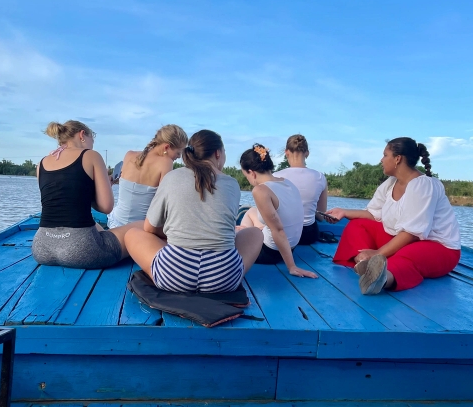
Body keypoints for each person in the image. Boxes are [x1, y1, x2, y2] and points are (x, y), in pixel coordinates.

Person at [124, 130, 263, 292]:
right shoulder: (232, 184)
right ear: (218, 153)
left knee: (131, 234)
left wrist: (178, 235)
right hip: (223, 280)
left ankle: (164, 271)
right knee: (256, 233)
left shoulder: (172, 177)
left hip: (173, 277)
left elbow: (149, 228)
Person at [327, 138, 460, 295]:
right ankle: (364, 262)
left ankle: (382, 278)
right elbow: (373, 214)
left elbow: (411, 233)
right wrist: (343, 212)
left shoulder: (423, 185)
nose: (381, 160)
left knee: (407, 255)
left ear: (398, 159)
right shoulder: (390, 183)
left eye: (385, 155)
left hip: (437, 247)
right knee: (357, 225)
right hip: (403, 239)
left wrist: (378, 252)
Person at [32, 121, 137, 268]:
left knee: (95, 226)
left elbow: (63, 200)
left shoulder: (42, 163)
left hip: (41, 248)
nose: (92, 146)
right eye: (91, 141)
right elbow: (106, 207)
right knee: (140, 227)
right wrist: (103, 186)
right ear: (82, 135)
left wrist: (91, 186)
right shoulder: (91, 155)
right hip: (81, 250)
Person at [239, 145, 317, 278]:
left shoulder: (260, 190)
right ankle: (247, 231)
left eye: (246, 176)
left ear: (252, 173)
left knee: (231, 234)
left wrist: (291, 267)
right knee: (252, 211)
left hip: (270, 252)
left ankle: (245, 233)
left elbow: (278, 230)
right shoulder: (287, 183)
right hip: (291, 246)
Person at [107, 124, 188, 228]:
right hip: (140, 229)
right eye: (178, 152)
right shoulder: (166, 163)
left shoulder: (129, 155)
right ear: (166, 147)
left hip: (115, 223)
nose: (179, 157)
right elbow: (165, 203)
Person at [276, 134, 328, 245]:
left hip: (285, 235)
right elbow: (321, 216)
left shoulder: (275, 177)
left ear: (286, 152)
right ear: (307, 153)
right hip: (309, 235)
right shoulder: (320, 177)